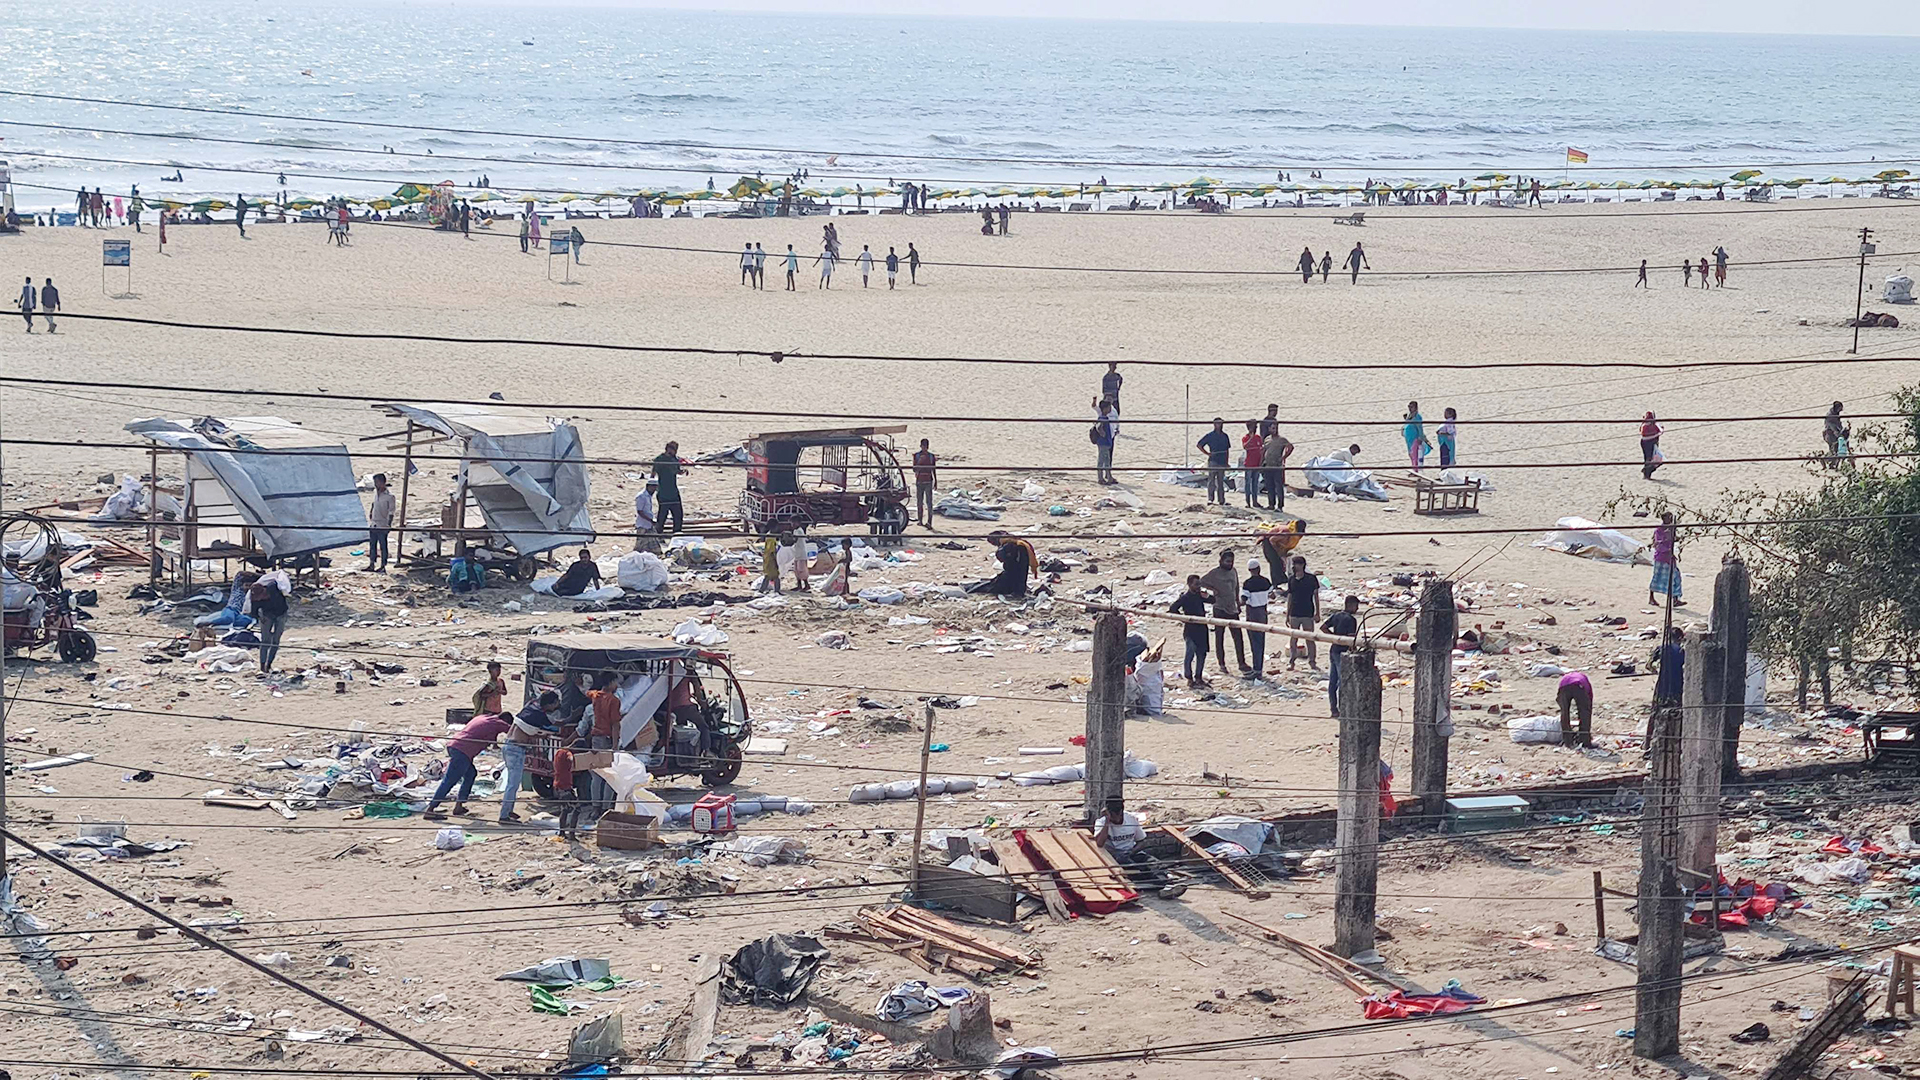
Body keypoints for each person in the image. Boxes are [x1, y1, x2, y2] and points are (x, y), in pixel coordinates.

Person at [423, 709, 512, 820]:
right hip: (462, 751)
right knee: (450, 780)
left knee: (470, 774)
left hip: (456, 745)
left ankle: (459, 805)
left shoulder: (484, 718)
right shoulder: (498, 723)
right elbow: (512, 730)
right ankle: (430, 809)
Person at [1093, 795, 1186, 899]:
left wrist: (1132, 851)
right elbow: (1099, 843)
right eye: (1113, 816)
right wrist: (1107, 821)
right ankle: (1163, 885)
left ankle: (1167, 883)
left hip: (1131, 851)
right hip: (1114, 856)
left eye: (1119, 815)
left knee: (1151, 862)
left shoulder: (1131, 819)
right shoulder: (1101, 822)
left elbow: (1141, 841)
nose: (1117, 819)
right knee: (1135, 869)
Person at [500, 690, 560, 824]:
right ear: (552, 703)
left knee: (513, 784)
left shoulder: (530, 708)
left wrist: (540, 735)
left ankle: (508, 810)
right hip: (516, 749)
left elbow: (527, 731)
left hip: (510, 746)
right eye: (556, 704)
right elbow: (553, 727)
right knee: (512, 785)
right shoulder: (538, 715)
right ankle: (504, 816)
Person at [1199, 549, 1248, 677]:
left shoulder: (1233, 571)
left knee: (1238, 637)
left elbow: (1236, 588)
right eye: (1227, 561)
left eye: (1231, 561)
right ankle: (1221, 664)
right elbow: (1200, 582)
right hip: (1219, 608)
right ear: (1221, 561)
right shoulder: (1214, 573)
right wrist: (1212, 590)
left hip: (1232, 608)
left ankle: (1241, 663)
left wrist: (1238, 603)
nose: (1230, 564)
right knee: (1219, 637)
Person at [1320, 594, 1360, 716]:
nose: (1357, 609)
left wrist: (1334, 638)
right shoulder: (1351, 620)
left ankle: (1334, 709)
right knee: (1343, 681)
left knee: (1333, 681)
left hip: (1334, 650)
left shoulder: (1336, 615)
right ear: (1350, 605)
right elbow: (1351, 639)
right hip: (1343, 652)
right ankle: (1343, 708)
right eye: (1356, 606)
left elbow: (1323, 627)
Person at [1170, 574, 1213, 688]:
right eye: (1196, 584)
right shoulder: (1185, 597)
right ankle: (1189, 677)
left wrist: (1206, 596)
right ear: (1189, 585)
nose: (1198, 586)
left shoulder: (1200, 595)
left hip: (1202, 628)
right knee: (1190, 654)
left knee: (1202, 654)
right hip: (1191, 630)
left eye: (1199, 584)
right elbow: (1173, 608)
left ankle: (1198, 677)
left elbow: (1213, 600)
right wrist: (1183, 619)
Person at [965, 531, 1036, 598]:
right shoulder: (1022, 544)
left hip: (1009, 581)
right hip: (1020, 582)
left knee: (984, 587)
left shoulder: (1009, 546)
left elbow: (1000, 557)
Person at [250, 565, 292, 674]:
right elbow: (253, 611)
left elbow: (284, 589)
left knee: (276, 641)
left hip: (281, 614)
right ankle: (262, 665)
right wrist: (260, 618)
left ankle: (269, 664)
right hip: (267, 616)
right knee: (265, 641)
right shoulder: (255, 598)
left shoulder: (273, 587)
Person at [1284, 555, 1321, 671]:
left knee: (1309, 638)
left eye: (1298, 564)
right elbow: (1290, 597)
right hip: (1294, 612)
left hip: (1307, 612)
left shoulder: (1311, 579)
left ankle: (1312, 661)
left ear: (1303, 565)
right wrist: (1287, 614)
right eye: (1295, 564)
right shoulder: (1291, 579)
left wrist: (1317, 612)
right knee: (1293, 639)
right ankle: (1292, 661)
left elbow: (1316, 596)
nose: (1296, 566)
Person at [1241, 560, 1273, 678]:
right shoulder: (1266, 581)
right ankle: (1258, 668)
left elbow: (1244, 599)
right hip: (1263, 613)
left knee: (1254, 642)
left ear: (1249, 570)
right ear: (1259, 568)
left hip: (1252, 613)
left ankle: (1257, 669)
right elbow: (1272, 594)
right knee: (1261, 641)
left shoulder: (1248, 584)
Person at [1649, 512, 1681, 608]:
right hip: (1661, 557)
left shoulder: (1671, 528)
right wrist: (1668, 538)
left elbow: (1673, 539)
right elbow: (1658, 543)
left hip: (1669, 556)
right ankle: (1651, 597)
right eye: (1669, 517)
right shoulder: (1659, 530)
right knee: (1657, 577)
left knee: (1675, 576)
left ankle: (1675, 599)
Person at [1197, 418, 1232, 505]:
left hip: (1222, 461)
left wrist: (1227, 462)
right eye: (1217, 423)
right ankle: (1210, 499)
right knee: (1211, 480)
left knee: (1220, 481)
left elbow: (1227, 450)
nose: (1219, 425)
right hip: (1213, 460)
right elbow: (1199, 445)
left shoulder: (1225, 436)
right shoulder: (1210, 435)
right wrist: (1207, 453)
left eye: (1220, 423)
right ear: (1214, 424)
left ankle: (1221, 500)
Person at [652, 442, 685, 532]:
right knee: (662, 515)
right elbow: (653, 473)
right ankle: (659, 533)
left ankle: (677, 533)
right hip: (663, 492)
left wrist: (682, 471)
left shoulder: (674, 459)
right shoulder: (660, 459)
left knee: (678, 515)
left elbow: (677, 470)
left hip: (673, 491)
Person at [1556, 670, 1593, 748]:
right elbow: (1588, 705)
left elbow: (1558, 698)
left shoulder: (1566, 677)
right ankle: (1584, 740)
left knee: (1564, 713)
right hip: (1578, 685)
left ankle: (1567, 740)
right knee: (1584, 713)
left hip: (1563, 686)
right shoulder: (1586, 682)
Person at [366, 473, 394, 571]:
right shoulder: (376, 493)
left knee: (383, 546)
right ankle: (372, 564)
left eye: (377, 482)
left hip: (382, 524)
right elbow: (374, 504)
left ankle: (383, 565)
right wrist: (371, 512)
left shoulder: (389, 497)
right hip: (374, 523)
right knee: (372, 545)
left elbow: (391, 512)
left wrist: (388, 525)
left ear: (383, 482)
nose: (376, 484)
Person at [1651, 626, 1684, 707]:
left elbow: (1649, 665)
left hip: (1663, 682)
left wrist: (1656, 670)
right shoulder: (1682, 651)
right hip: (1677, 682)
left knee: (1660, 703)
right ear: (1680, 638)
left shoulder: (1661, 649)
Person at [1262, 426, 1292, 510]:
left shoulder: (1282, 439)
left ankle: (1280, 506)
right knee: (1269, 486)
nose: (1274, 430)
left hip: (1277, 466)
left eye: (1275, 428)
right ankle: (1271, 504)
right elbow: (1264, 450)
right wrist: (1261, 462)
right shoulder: (1267, 439)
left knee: (1278, 486)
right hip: (1268, 465)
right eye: (1272, 428)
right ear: (1269, 429)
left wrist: (1283, 457)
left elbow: (1290, 447)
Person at [912, 438, 938, 527]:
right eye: (923, 446)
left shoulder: (931, 456)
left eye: (926, 447)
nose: (924, 448)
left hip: (928, 481)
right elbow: (914, 469)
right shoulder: (916, 456)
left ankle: (929, 522)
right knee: (919, 502)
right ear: (921, 446)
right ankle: (920, 520)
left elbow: (933, 469)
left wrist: (935, 481)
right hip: (919, 481)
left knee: (929, 502)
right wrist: (920, 462)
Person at [1093, 399, 1119, 485]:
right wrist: (1102, 434)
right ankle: (1100, 478)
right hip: (1103, 443)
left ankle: (1109, 477)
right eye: (1108, 408)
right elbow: (1098, 427)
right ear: (1104, 409)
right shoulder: (1102, 418)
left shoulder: (1106, 417)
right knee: (1101, 460)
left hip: (1107, 442)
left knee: (1107, 460)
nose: (1110, 409)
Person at [1239, 421, 1265, 507]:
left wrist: (1261, 462)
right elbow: (1245, 446)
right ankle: (1248, 502)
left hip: (1257, 464)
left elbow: (1261, 450)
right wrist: (1251, 438)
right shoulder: (1245, 437)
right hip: (1249, 464)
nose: (1255, 428)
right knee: (1248, 483)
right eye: (1254, 427)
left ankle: (1255, 501)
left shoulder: (1258, 438)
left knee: (1255, 483)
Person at [633, 476, 660, 551]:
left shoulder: (648, 496)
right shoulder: (641, 496)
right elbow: (640, 511)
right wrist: (650, 520)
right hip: (643, 525)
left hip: (649, 525)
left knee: (654, 546)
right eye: (653, 487)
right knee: (640, 546)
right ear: (648, 486)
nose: (654, 489)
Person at [1402, 401, 1428, 471]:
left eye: (1412, 407)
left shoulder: (1417, 417)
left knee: (1415, 454)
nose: (1410, 408)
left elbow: (1420, 428)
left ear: (1416, 408)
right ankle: (1414, 468)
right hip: (1409, 439)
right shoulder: (1409, 415)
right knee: (1410, 454)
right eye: (1409, 407)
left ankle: (1416, 469)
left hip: (1415, 438)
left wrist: (1420, 438)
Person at [1640, 412, 1664, 479]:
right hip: (1647, 443)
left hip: (1652, 443)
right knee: (1649, 458)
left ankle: (1646, 472)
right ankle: (1646, 472)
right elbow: (1644, 435)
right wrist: (1657, 434)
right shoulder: (1644, 426)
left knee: (1655, 459)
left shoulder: (1654, 425)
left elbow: (1660, 430)